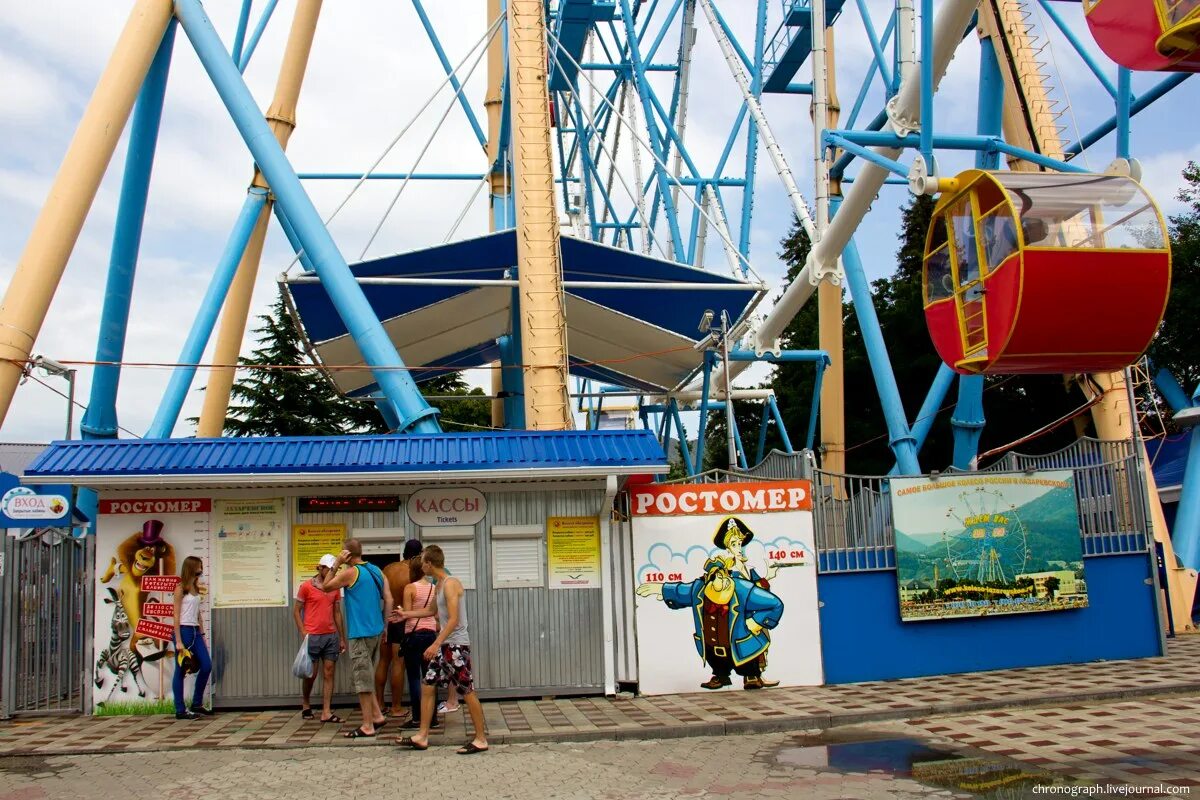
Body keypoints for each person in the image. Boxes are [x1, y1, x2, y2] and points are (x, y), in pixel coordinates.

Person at [637, 555, 783, 691]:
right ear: (708, 579)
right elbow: (680, 590)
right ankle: (720, 676)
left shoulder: (742, 589)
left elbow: (775, 604)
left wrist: (756, 622)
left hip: (740, 642)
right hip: (712, 643)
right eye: (718, 575)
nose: (723, 578)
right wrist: (661, 589)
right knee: (716, 658)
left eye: (724, 574)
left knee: (746, 659)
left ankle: (751, 675)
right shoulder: (698, 589)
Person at [396, 545, 488, 755]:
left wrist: (436, 643)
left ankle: (481, 739)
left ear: (429, 563)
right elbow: (430, 611)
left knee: (467, 690)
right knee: (428, 685)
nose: (421, 567)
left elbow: (454, 619)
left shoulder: (450, 583)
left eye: (423, 563)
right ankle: (422, 736)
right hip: (445, 645)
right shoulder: (438, 586)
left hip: (455, 645)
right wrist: (406, 615)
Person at [322, 539, 394, 738]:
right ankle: (378, 716)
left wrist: (336, 564)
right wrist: (386, 625)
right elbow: (389, 598)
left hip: (359, 633)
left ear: (346, 554)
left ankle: (367, 725)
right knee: (367, 676)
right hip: (376, 631)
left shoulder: (351, 572)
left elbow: (326, 586)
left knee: (362, 681)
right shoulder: (377, 571)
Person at [294, 553, 347, 723]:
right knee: (311, 673)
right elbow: (296, 611)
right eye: (330, 568)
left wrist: (341, 637)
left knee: (329, 672)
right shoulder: (306, 586)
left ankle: (326, 711)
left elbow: (337, 612)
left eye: (335, 569)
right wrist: (303, 631)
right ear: (321, 568)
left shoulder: (334, 588)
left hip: (330, 635)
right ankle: (306, 704)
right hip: (313, 636)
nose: (332, 572)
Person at [376, 539, 424, 717]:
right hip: (402, 618)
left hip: (386, 616)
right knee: (398, 662)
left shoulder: (387, 569)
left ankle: (380, 703)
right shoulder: (412, 572)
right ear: (418, 554)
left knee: (383, 661)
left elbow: (381, 595)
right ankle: (396, 707)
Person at [400, 549, 440, 730]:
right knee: (430, 677)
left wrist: (401, 610)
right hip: (431, 634)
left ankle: (417, 717)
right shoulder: (434, 588)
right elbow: (436, 613)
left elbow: (407, 615)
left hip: (413, 635)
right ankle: (432, 718)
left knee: (415, 677)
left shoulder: (410, 588)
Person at [172, 556, 213, 720]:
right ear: (191, 567)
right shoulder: (180, 588)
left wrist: (202, 634)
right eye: (199, 566)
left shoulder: (196, 588)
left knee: (206, 665)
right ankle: (180, 709)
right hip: (184, 630)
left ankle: (197, 703)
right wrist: (178, 640)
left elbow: (198, 614)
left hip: (195, 630)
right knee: (180, 670)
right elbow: (175, 615)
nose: (201, 569)